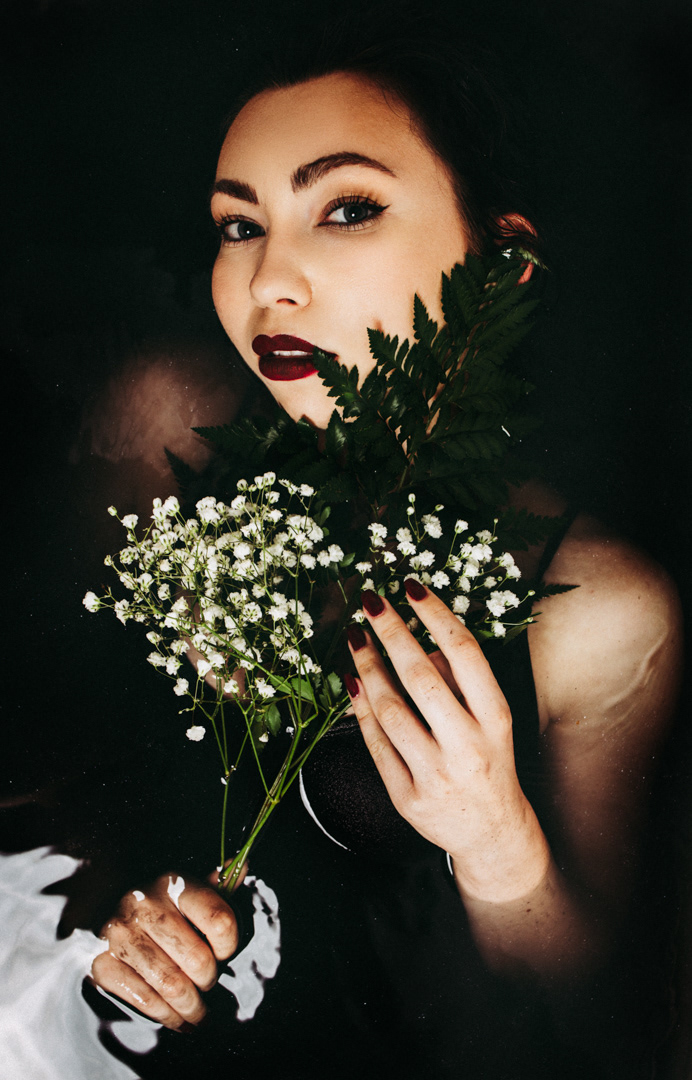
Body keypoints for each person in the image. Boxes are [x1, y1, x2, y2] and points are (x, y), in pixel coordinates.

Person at [88, 28, 683, 1079]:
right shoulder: (164, 437)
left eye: (347, 208)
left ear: (501, 263)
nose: (268, 280)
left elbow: (597, 1023)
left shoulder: (598, 612)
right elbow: (61, 750)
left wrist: (495, 840)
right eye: (239, 225)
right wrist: (133, 920)